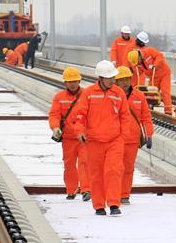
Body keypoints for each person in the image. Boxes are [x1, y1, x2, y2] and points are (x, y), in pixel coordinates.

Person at [72, 60, 133, 216]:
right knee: (96, 173)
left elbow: (125, 116)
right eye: (110, 77)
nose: (113, 80)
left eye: (113, 77)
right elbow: (80, 115)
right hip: (94, 141)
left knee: (114, 171)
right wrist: (80, 131)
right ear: (100, 78)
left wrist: (124, 134)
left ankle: (113, 204)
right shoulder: (89, 93)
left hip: (115, 140)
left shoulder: (118, 93)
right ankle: (99, 206)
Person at [48, 67, 90, 201]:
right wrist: (55, 128)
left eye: (75, 81)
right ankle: (71, 190)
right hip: (68, 138)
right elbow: (54, 114)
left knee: (85, 162)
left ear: (79, 81)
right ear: (65, 83)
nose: (73, 84)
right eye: (70, 81)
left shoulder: (87, 95)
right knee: (69, 164)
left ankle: (86, 189)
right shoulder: (59, 97)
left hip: (84, 137)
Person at [115, 66, 153, 205]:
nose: (125, 82)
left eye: (127, 79)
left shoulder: (139, 96)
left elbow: (146, 118)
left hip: (132, 140)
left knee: (128, 168)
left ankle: (124, 195)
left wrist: (148, 135)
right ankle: (112, 194)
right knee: (115, 168)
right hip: (115, 139)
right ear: (116, 81)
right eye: (122, 80)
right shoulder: (113, 95)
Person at [128, 31, 173, 114]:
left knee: (165, 91)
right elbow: (139, 73)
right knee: (151, 93)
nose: (138, 64)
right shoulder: (139, 64)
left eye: (137, 62)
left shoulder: (149, 51)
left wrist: (155, 64)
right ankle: (150, 109)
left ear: (139, 57)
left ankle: (168, 111)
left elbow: (160, 56)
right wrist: (130, 73)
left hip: (164, 74)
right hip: (154, 77)